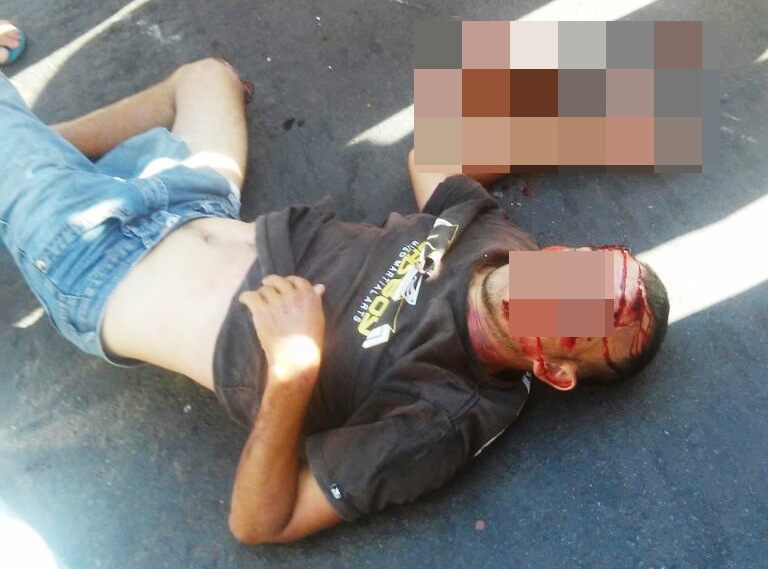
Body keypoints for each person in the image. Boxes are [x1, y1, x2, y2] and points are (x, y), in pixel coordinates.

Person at [0, 59, 669, 545]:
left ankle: (28, 158)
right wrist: (605, 117)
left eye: (582, 311)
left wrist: (293, 371)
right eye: (582, 265)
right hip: (191, 199)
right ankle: (34, 152)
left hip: (96, 260)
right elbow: (435, 155)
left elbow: (260, 522)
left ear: (554, 369)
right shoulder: (500, 242)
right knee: (208, 78)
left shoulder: (440, 419)